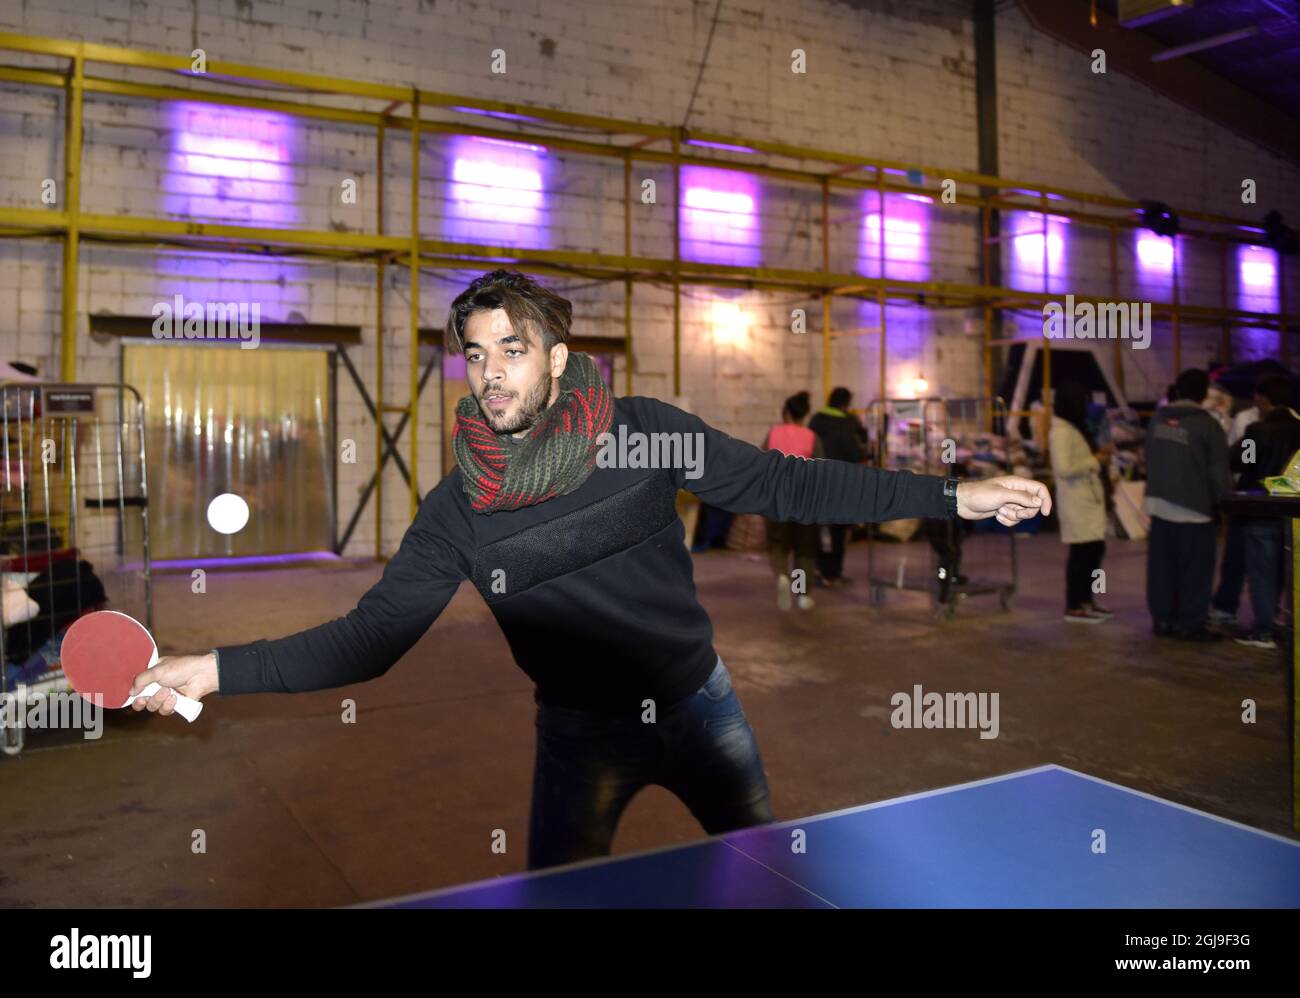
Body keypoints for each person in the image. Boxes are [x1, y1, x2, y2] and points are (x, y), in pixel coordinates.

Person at [125, 269, 1053, 871]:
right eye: (477, 355)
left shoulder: (644, 433)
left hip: (704, 708)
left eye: (513, 350)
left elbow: (783, 483)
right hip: (578, 739)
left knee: (775, 883)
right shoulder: (457, 511)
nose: (491, 374)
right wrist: (213, 669)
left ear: (559, 360)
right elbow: (372, 640)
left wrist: (950, 496)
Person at [1144, 368, 1232, 642]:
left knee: (1161, 567)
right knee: (1195, 569)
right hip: (1194, 506)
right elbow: (1219, 471)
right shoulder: (1208, 425)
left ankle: (1162, 619)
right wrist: (1223, 503)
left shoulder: (1157, 420)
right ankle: (1190, 623)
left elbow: (1147, 456)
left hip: (1158, 504)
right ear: (1204, 393)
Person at [1232, 374, 1300, 649]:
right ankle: (1284, 623)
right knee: (1286, 572)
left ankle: (1263, 630)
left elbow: (1242, 462)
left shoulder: (1257, 431)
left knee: (1261, 572)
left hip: (1262, 510)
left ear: (1264, 400)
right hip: (1294, 512)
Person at [1049, 382, 1111, 624]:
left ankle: (1089, 599)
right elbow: (1064, 468)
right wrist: (1095, 461)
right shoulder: (1062, 432)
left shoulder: (1075, 428)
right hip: (1077, 502)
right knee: (1081, 555)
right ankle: (1074, 604)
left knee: (1095, 551)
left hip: (1088, 500)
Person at [1210, 381, 1265, 627]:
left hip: (1251, 496)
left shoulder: (1250, 425)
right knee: (1254, 559)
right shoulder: (1245, 419)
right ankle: (1262, 613)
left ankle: (1233, 608)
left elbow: (1241, 459)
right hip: (1263, 498)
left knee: (1240, 555)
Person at [763, 391, 823, 611]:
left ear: (786, 413)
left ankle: (781, 576)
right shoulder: (811, 437)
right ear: (804, 414)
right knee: (804, 549)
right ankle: (802, 595)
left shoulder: (773, 434)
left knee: (778, 544)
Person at [807, 387, 868, 586]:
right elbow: (855, 452)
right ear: (845, 403)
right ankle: (832, 572)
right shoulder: (848, 422)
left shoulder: (816, 419)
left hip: (816, 481)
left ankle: (818, 567)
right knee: (839, 531)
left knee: (819, 528)